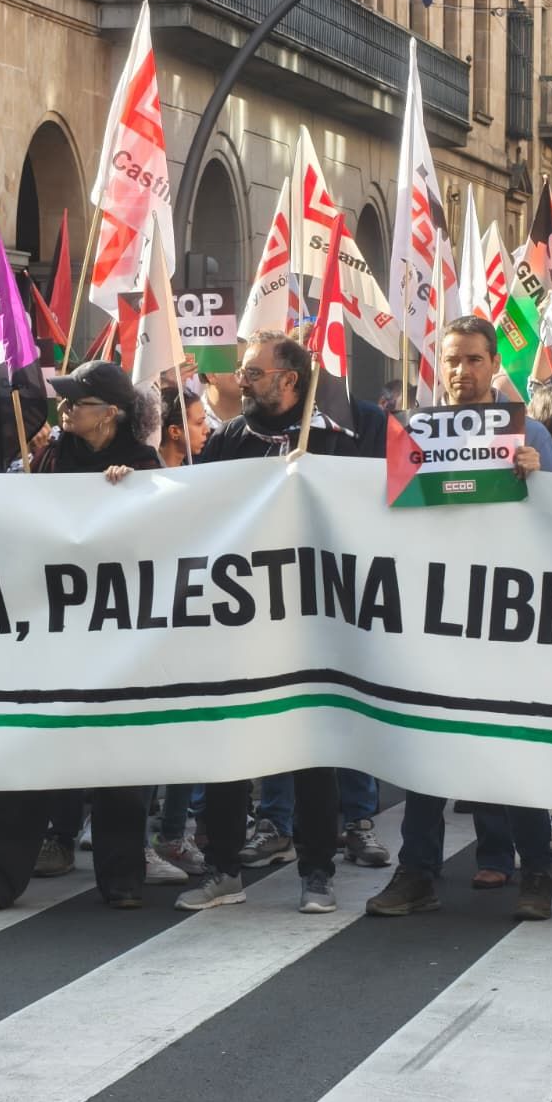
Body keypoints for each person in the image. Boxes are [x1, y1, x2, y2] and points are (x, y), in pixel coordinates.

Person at [174, 331, 388, 918]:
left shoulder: (355, 429)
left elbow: (400, 489)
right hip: (241, 620)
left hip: (317, 618)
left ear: (289, 379)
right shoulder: (231, 439)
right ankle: (223, 869)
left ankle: (316, 871)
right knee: (228, 744)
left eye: (252, 372)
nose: (240, 381)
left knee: (311, 748)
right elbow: (195, 510)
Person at [366, 315, 552, 922]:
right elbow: (389, 515)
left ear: (493, 363)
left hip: (506, 618)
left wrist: (540, 477)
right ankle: (417, 872)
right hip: (438, 615)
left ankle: (536, 870)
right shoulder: (416, 429)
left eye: (474, 359)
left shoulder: (530, 432)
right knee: (428, 747)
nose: (461, 371)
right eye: (452, 359)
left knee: (510, 746)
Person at [0, 359, 158, 916]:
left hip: (114, 636)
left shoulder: (144, 465)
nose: (66, 409)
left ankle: (123, 879)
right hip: (49, 634)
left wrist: (132, 492)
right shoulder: (48, 456)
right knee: (31, 757)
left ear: (110, 414)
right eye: (65, 400)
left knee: (118, 763)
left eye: (78, 402)